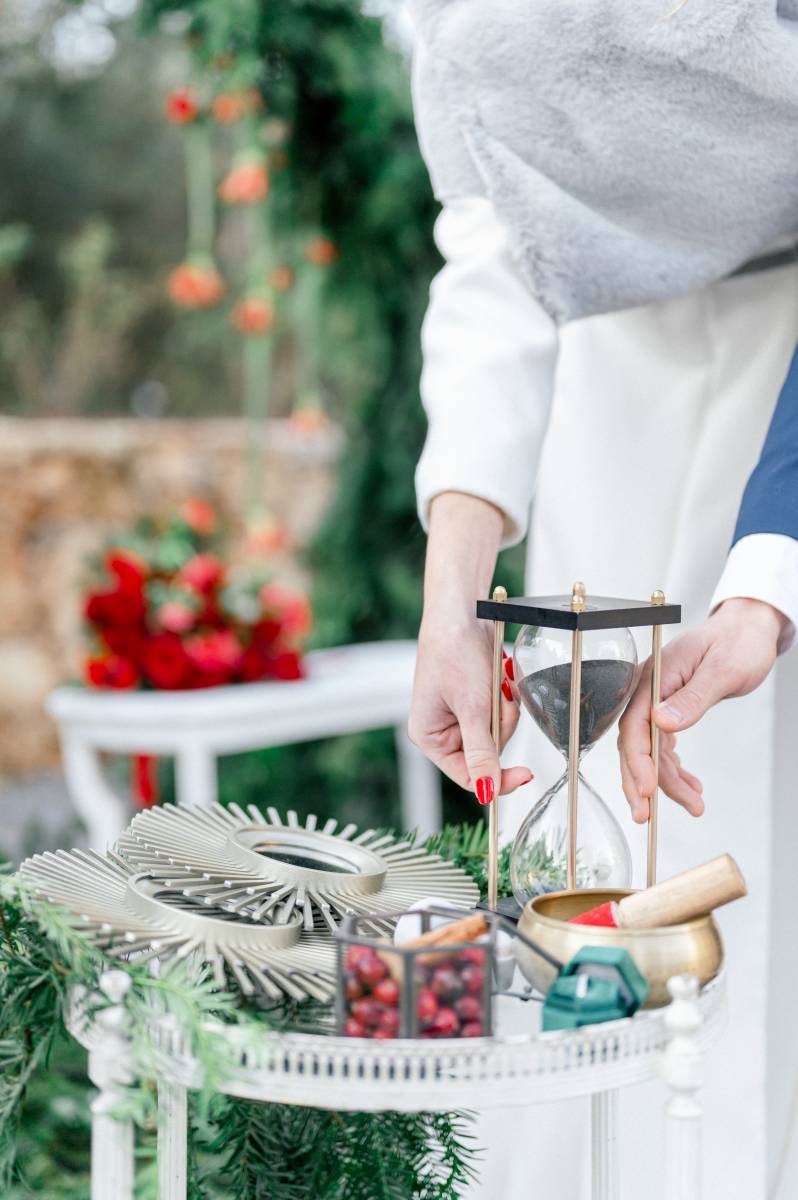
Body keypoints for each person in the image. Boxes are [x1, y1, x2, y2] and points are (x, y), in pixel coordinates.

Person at [405, 3, 798, 1196]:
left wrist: (772, 571)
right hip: (602, 381)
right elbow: (491, 223)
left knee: (751, 835)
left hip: (784, 376)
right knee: (592, 843)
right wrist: (454, 586)